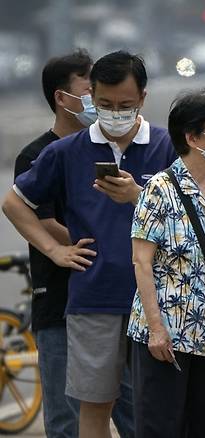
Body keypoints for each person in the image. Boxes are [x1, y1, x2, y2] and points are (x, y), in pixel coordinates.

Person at [2, 51, 177, 438]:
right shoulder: (65, 152)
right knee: (94, 408)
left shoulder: (166, 146)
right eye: (105, 105)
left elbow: (193, 217)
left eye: (125, 106)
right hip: (93, 300)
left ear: (143, 99)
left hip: (159, 302)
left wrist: (138, 195)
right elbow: (15, 203)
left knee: (156, 410)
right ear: (91, 98)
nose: (115, 113)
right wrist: (55, 250)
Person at [12, 49, 133, 438]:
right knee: (67, 416)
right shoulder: (38, 154)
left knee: (135, 411)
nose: (100, 101)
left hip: (116, 298)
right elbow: (37, 216)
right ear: (63, 98)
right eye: (90, 90)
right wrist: (86, 246)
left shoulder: (110, 148)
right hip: (61, 299)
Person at [129, 89, 205, 437]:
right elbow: (141, 261)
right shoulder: (159, 189)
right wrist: (155, 327)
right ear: (193, 137)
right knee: (161, 428)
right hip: (167, 337)